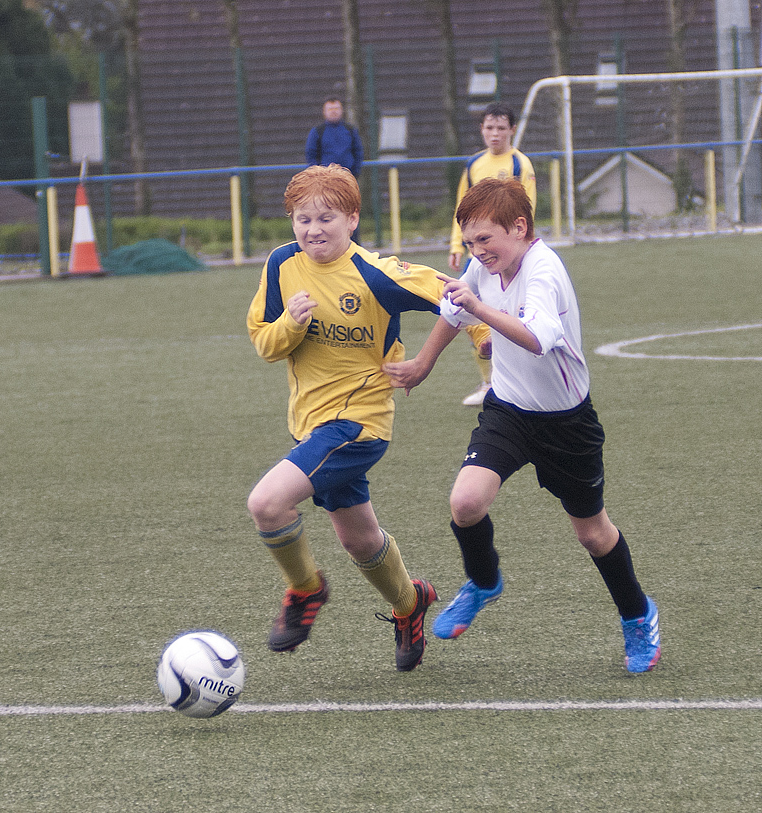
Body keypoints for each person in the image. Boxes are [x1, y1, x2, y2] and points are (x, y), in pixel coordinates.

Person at [384, 178, 661, 674]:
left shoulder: (543, 272)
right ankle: (485, 581)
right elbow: (453, 308)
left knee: (593, 533)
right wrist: (423, 364)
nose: (478, 251)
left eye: (485, 239)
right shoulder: (486, 262)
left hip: (566, 424)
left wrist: (481, 312)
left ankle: (639, 616)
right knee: (465, 502)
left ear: (520, 227)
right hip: (509, 410)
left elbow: (534, 338)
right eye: (470, 242)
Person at [246, 163, 440, 672]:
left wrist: (428, 360)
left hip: (359, 425)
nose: (313, 230)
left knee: (267, 504)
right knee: (359, 539)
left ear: (352, 219)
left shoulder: (377, 275)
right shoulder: (282, 266)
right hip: (310, 423)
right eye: (302, 219)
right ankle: (409, 603)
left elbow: (458, 295)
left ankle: (306, 590)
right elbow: (264, 342)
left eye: (326, 218)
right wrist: (291, 323)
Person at [450, 102, 537, 407]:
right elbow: (462, 210)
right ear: (482, 130)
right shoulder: (473, 164)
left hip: (509, 252)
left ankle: (517, 380)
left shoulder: (520, 165)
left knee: (512, 313)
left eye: (501, 128)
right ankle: (489, 383)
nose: (495, 134)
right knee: (468, 309)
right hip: (480, 252)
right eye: (489, 127)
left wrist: (520, 244)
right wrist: (456, 245)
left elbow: (528, 209)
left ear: (512, 130)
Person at [305, 98, 365, 243]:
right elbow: (311, 155)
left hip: (348, 180)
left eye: (336, 109)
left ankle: (354, 243)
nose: (334, 112)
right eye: (330, 109)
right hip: (325, 183)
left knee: (350, 211)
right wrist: (319, 176)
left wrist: (353, 173)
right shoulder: (318, 132)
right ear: (324, 112)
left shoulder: (350, 131)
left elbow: (358, 152)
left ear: (341, 110)